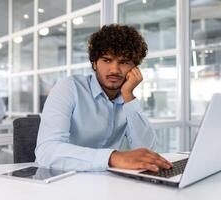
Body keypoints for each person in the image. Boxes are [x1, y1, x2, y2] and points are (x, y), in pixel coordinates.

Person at [35, 24, 173, 172]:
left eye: (124, 62)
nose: (114, 69)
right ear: (94, 63)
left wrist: (129, 96)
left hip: (105, 182)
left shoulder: (128, 100)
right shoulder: (69, 88)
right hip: (57, 178)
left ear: (134, 68)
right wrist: (113, 158)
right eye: (107, 60)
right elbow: (46, 151)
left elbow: (147, 150)